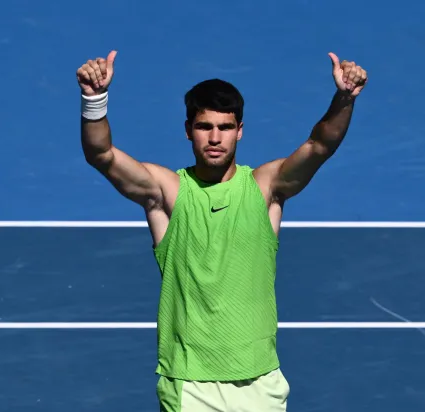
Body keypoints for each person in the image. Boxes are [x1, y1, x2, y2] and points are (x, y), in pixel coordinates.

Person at [77, 50, 368, 412]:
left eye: (225, 127)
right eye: (204, 127)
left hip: (259, 382)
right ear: (188, 131)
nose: (215, 138)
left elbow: (320, 145)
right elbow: (101, 155)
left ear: (239, 131)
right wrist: (94, 98)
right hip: (190, 384)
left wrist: (344, 98)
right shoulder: (167, 193)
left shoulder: (265, 188)